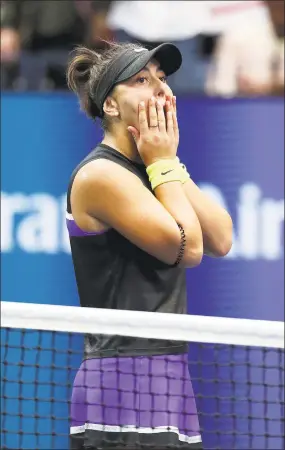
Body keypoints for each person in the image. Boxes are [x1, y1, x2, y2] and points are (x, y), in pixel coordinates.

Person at [66, 40, 233, 450]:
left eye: (162, 78)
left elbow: (221, 239)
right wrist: (162, 164)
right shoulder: (100, 175)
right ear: (110, 106)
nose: (160, 88)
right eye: (141, 79)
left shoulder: (154, 169)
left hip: (169, 377)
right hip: (123, 379)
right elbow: (188, 248)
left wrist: (166, 164)